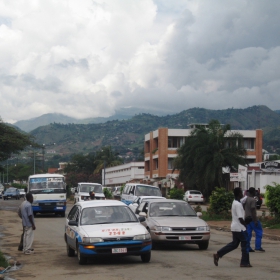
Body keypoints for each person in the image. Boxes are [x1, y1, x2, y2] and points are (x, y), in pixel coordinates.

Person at [213, 187, 251, 267]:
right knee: (245, 244)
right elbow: (240, 218)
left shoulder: (235, 202)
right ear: (238, 194)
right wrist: (245, 224)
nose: (242, 194)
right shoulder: (237, 204)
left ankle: (218, 254)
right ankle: (244, 262)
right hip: (239, 228)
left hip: (235, 227)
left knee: (234, 244)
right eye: (241, 193)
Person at [242, 187, 265, 252]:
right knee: (259, 232)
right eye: (255, 192)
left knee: (248, 233)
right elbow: (253, 210)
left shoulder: (245, 199)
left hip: (247, 218)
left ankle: (248, 247)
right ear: (253, 192)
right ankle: (258, 246)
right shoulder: (252, 200)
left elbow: (243, 207)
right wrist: (255, 220)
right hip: (252, 218)